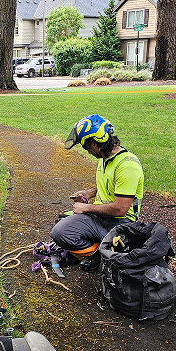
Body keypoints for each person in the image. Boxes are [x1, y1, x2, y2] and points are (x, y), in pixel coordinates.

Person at [50, 114, 144, 271]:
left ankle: (103, 252)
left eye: (86, 146)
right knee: (60, 229)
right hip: (101, 218)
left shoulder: (128, 165)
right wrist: (89, 193)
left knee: (64, 232)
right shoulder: (105, 159)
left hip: (120, 224)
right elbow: (110, 184)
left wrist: (86, 208)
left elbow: (121, 209)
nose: (87, 151)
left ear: (94, 142)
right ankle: (100, 249)